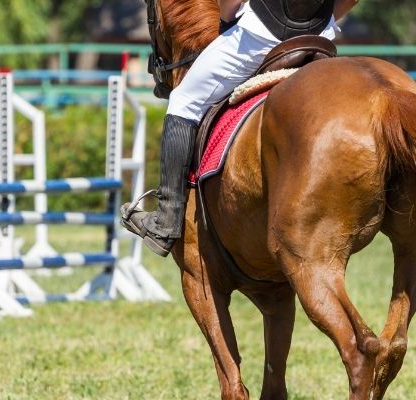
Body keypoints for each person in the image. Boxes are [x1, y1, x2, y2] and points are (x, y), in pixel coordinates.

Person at [121, 0, 360, 257]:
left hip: (260, 35)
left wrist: (226, 22)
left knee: (182, 102)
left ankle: (165, 223)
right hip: (318, 40)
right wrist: (326, 22)